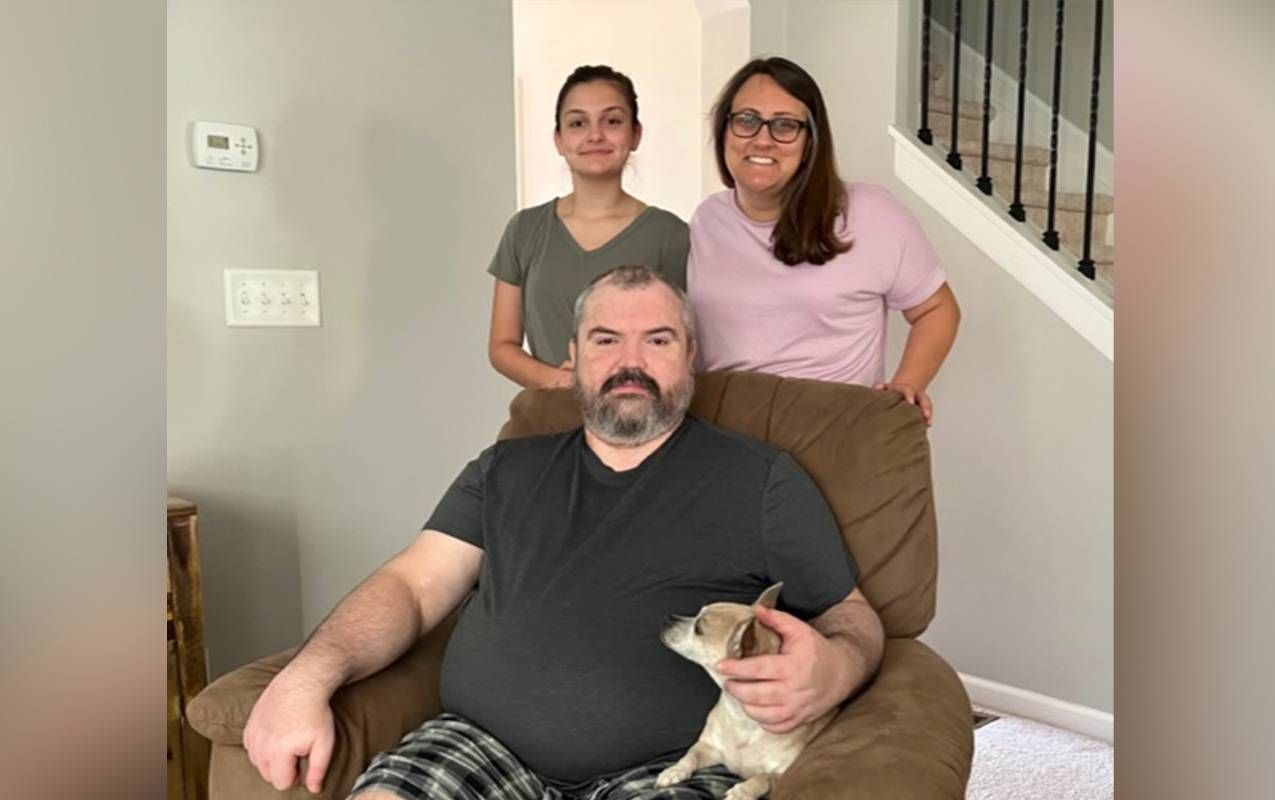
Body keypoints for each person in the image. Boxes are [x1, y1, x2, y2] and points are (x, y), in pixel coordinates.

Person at [243, 265, 885, 799]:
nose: (629, 363)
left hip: (671, 769)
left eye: (658, 340)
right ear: (573, 357)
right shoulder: (505, 469)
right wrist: (305, 678)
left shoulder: (762, 479)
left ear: (691, 356)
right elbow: (411, 586)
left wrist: (836, 668)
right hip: (478, 744)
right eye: (606, 340)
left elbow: (852, 617)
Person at [688, 57, 961, 426]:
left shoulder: (870, 212)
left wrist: (906, 385)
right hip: (726, 433)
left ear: (810, 141)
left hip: (830, 430)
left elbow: (937, 309)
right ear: (724, 131)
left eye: (785, 125)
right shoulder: (707, 220)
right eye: (746, 121)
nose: (762, 139)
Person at [488, 65, 690, 391]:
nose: (595, 135)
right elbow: (502, 345)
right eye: (578, 123)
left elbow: (683, 345)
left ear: (635, 134)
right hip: (547, 417)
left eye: (612, 121)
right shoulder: (525, 230)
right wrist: (561, 381)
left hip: (641, 419)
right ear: (559, 139)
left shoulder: (671, 235)